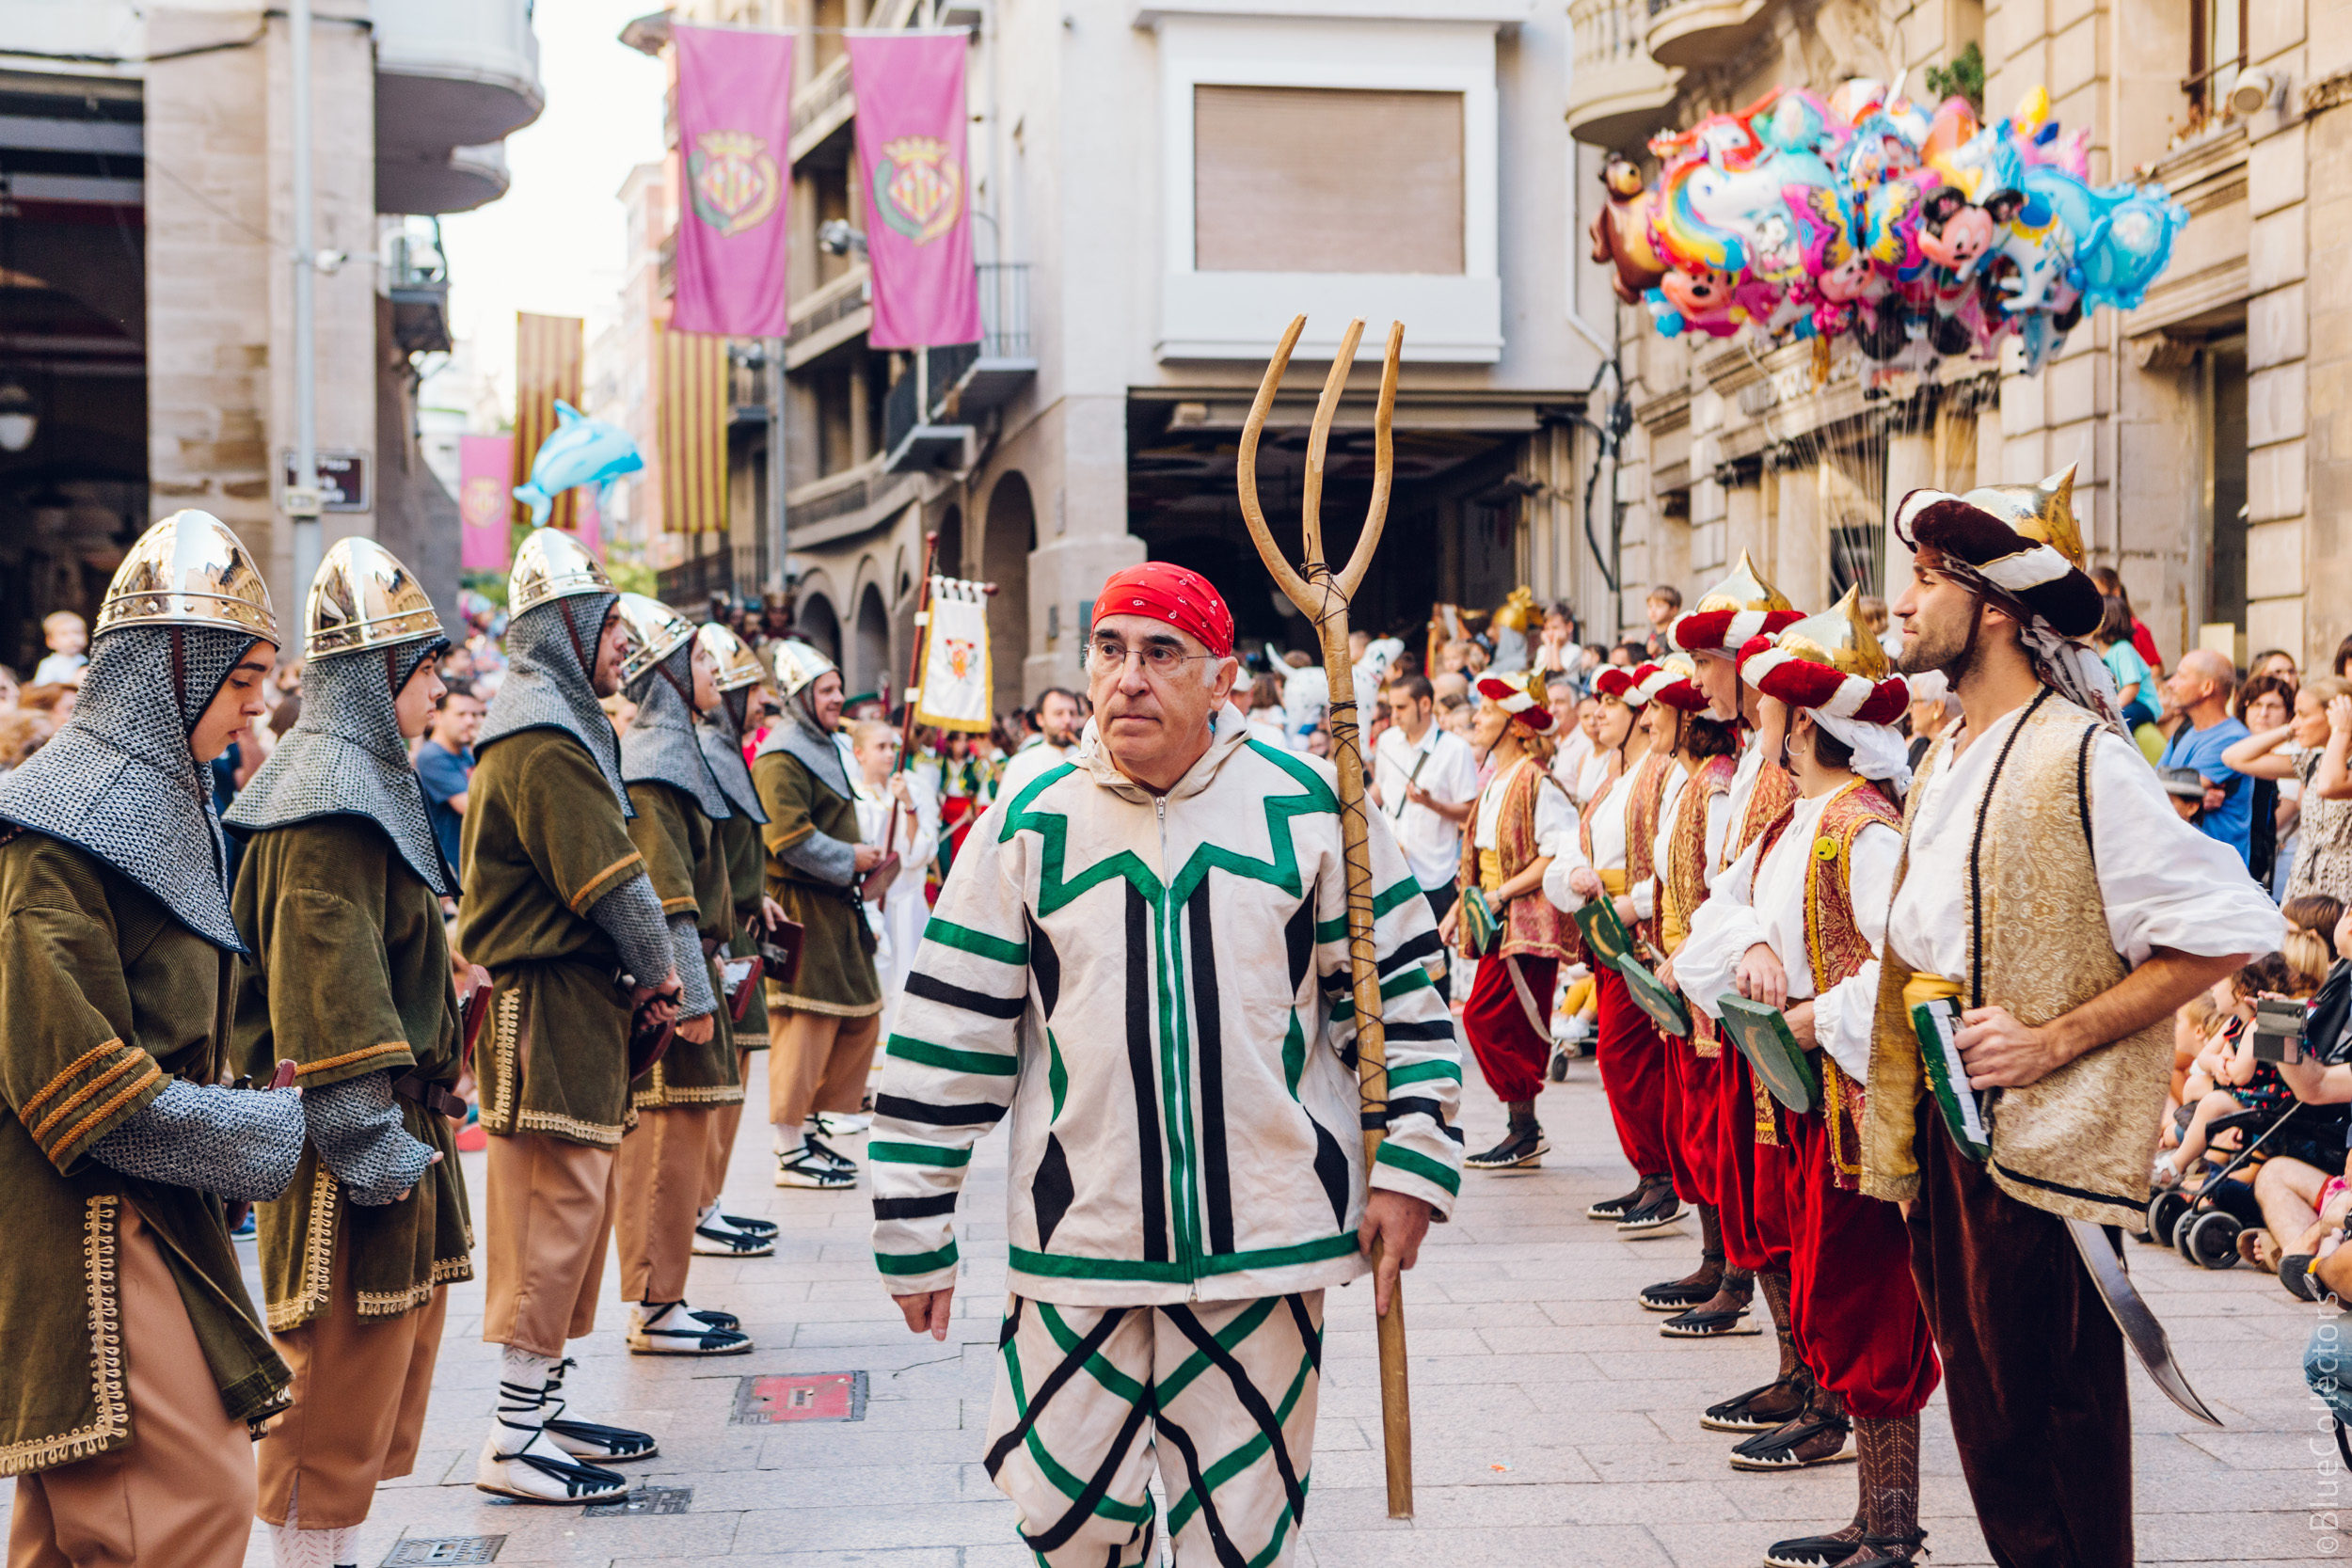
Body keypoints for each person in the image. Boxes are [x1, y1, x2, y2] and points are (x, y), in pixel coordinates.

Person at [870, 561, 1462, 1566]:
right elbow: (949, 1026)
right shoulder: (1028, 816)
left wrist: (1410, 1167)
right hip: (1077, 1240)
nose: (1128, 678)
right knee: (1065, 1518)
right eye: (1110, 649)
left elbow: (1400, 999)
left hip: (1265, 1242)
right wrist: (912, 1220)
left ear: (1220, 681)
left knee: (1241, 1535)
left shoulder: (1315, 807)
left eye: (1161, 653)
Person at [1871, 467, 2280, 1566]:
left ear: (1996, 609)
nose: (1898, 604)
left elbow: (2228, 924)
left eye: (1924, 580)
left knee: (2057, 1432)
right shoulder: (1942, 755)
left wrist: (2055, 1039)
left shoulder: (2085, 752)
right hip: (1955, 1135)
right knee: (1993, 1435)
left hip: (2044, 1153)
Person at [0, 511, 306, 1568]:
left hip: (151, 1203)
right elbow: (69, 1073)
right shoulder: (57, 825)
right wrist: (249, 1128)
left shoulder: (166, 801)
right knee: (180, 1507)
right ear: (170, 667)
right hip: (87, 1214)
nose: (258, 701)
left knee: (83, 1527)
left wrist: (235, 1102)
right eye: (240, 677)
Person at [1675, 595, 1938, 1562]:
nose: (1764, 726)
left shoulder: (1860, 828)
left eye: (1779, 711)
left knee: (1869, 1302)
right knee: (1832, 1289)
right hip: (1802, 1102)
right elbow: (1715, 915)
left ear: (1808, 725)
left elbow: (1907, 969)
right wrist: (1746, 941)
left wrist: (1808, 1016)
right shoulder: (1793, 825)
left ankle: (1893, 1522)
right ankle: (1874, 1512)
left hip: (1857, 1108)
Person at [222, 537, 468, 1568]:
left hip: (384, 1123)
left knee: (370, 1375)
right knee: (330, 1371)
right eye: (427, 675)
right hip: (340, 1144)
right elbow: (329, 987)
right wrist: (374, 1141)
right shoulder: (326, 794)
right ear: (379, 679)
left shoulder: (357, 780)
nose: (440, 692)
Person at [458, 529, 683, 1503]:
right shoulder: (540, 732)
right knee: (551, 1213)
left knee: (576, 1207)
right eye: (609, 620)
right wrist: (662, 967)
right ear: (565, 624)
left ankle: (540, 1407)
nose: (621, 639)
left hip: (572, 1002)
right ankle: (511, 1438)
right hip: (545, 1002)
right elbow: (611, 878)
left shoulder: (557, 720)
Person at [1646, 554, 1805, 1362]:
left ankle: (1808, 1374)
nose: (1700, 677)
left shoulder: (1773, 772)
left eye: (1711, 659)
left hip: (1785, 1021)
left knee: (1776, 1199)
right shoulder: (1751, 764)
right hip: (1735, 1006)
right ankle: (1794, 1364)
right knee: (1745, 1182)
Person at [609, 594, 753, 1354]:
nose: (712, 669)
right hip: (672, 986)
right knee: (665, 1143)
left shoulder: (679, 746)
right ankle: (656, 1305)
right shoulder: (657, 758)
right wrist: (691, 990)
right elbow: (666, 893)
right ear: (662, 670)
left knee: (685, 1138)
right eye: (696, 657)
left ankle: (670, 1296)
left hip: (698, 972)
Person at [1542, 663, 1684, 1228]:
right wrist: (1575, 875)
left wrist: (1636, 905)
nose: (1599, 712)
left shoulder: (1663, 771)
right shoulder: (1604, 773)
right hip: (1607, 927)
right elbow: (1576, 846)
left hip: (1639, 931)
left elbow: (1680, 865)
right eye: (1597, 701)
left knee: (1629, 1054)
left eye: (1615, 703)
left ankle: (1664, 1176)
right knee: (1617, 1056)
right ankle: (1648, 1173)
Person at [1636, 654, 1743, 1336]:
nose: (1650, 719)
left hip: (1703, 980)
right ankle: (1712, 1257)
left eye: (1663, 710)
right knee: (1692, 1128)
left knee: (1714, 1131)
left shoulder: (1718, 784)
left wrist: (1685, 954)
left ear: (1689, 722)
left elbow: (1719, 888)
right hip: (1678, 976)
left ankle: (1733, 1273)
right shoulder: (1687, 783)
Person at [755, 640, 888, 1190]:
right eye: (827, 690)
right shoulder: (781, 754)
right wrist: (848, 858)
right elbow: (786, 838)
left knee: (856, 1016)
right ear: (799, 695)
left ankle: (809, 1129)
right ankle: (788, 1148)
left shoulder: (823, 744)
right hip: (802, 907)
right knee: (805, 1024)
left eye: (837, 688)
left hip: (836, 905)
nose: (838, 699)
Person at [1441, 670, 1576, 1167]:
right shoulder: (1497, 779)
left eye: (1487, 713)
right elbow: (1478, 857)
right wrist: (1462, 907)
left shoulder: (1537, 781)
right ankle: (1522, 1130)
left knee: (1488, 1018)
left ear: (1516, 725)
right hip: (1497, 921)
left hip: (1527, 923)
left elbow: (1553, 856)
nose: (1476, 720)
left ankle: (1525, 1128)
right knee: (1500, 1022)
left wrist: (1499, 894)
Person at [690, 621, 787, 1259]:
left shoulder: (723, 750)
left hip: (742, 934)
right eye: (749, 691)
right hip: (720, 944)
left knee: (734, 1081)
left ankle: (711, 1200)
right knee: (716, 1087)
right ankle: (699, 1208)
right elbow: (701, 862)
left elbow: (735, 855)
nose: (760, 703)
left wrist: (755, 896)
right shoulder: (701, 750)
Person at [1372, 674, 1479, 1000]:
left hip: (1434, 870)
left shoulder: (1454, 749)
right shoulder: (1388, 741)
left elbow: (1470, 811)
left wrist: (1431, 803)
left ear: (1425, 704)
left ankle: (1438, 1032)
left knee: (1433, 958)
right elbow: (1382, 790)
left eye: (1401, 707)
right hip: (1390, 863)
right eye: (1391, 707)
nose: (1395, 714)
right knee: (1388, 950)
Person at [850, 718, 942, 1039]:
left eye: (893, 747)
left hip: (908, 903)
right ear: (859, 753)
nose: (890, 754)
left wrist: (908, 806)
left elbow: (917, 855)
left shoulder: (912, 787)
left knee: (913, 987)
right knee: (880, 985)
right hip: (873, 905)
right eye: (881, 747)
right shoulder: (852, 797)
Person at [2159, 647, 2256, 867]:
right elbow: (2152, 785)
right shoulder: (2184, 732)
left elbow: (2173, 800)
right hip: (2184, 867)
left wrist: (2177, 793)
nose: (2171, 683)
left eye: (2181, 676)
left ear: (2207, 687)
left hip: (2218, 877)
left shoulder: (2232, 738)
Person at [416, 678, 484, 892]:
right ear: (438, 716)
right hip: (455, 868)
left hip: (474, 859)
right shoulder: (432, 757)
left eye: (475, 714)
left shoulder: (465, 752)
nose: (470, 721)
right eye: (461, 714)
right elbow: (470, 806)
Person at [995, 685, 1084, 806]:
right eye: (1059, 713)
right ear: (1040, 719)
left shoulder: (1087, 760)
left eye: (1072, 713)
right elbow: (1003, 812)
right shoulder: (1020, 764)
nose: (1068, 720)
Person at [31, 608, 87, 687]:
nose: (73, 639)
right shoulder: (49, 664)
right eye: (64, 634)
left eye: (77, 633)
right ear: (50, 641)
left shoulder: (85, 661)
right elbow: (43, 690)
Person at [1645, 583, 1683, 657]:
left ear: (1673, 610)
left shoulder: (1675, 635)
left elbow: (1677, 658)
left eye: (1659, 606)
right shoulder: (1653, 634)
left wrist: (1659, 652)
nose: (1653, 610)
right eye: (1650, 606)